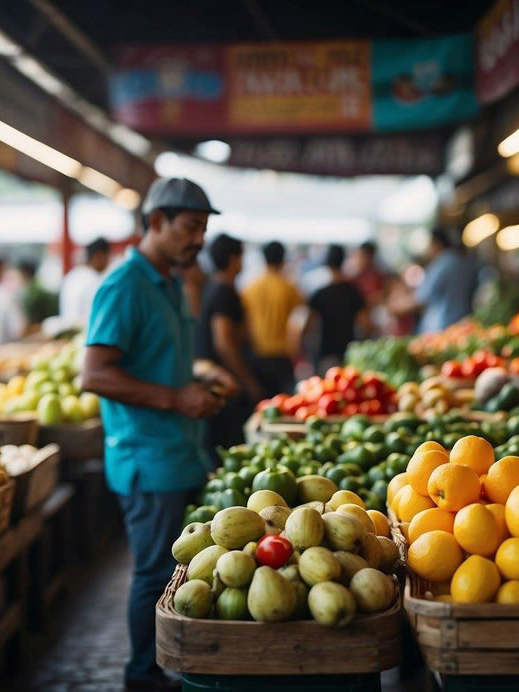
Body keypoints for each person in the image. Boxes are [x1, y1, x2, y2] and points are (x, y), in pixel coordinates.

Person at [82, 177, 234, 692]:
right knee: (151, 574)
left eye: (203, 230)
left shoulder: (169, 281)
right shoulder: (124, 286)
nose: (198, 240)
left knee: (181, 575)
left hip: (181, 451)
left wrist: (199, 378)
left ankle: (178, 664)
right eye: (190, 228)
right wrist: (176, 398)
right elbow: (94, 374)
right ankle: (142, 676)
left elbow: (160, 361)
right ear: (155, 223)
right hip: (147, 458)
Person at [195, 234, 262, 456]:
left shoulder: (212, 286)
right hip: (224, 384)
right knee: (226, 449)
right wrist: (247, 381)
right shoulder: (224, 292)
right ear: (234, 259)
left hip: (216, 380)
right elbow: (223, 342)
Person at [242, 241, 302, 396]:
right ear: (283, 260)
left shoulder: (250, 288)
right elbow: (300, 319)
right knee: (284, 403)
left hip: (257, 354)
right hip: (282, 355)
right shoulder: (289, 288)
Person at [299, 245, 369, 373]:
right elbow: (365, 324)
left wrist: (302, 351)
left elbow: (305, 325)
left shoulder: (319, 294)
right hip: (348, 352)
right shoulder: (353, 292)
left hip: (325, 352)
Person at [391, 229, 476, 334]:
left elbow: (421, 297)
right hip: (464, 322)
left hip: (442, 326)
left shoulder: (441, 264)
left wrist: (396, 306)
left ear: (436, 243)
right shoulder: (463, 262)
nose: (428, 249)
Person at [60, 238, 110, 330]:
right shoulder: (96, 281)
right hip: (86, 336)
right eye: (108, 256)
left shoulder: (71, 276)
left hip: (66, 334)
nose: (108, 262)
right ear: (99, 255)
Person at [16, 258, 59, 329]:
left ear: (24, 273)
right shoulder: (36, 287)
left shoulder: (32, 294)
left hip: (43, 327)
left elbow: (32, 322)